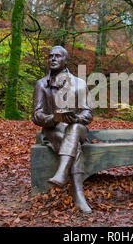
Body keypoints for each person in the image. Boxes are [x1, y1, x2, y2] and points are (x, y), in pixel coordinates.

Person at [32, 45, 93, 213]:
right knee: (72, 140)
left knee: (73, 128)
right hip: (53, 130)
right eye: (50, 56)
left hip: (78, 127)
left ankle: (61, 174)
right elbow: (36, 115)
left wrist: (75, 118)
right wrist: (53, 118)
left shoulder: (79, 83)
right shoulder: (41, 85)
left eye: (58, 56)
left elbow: (88, 114)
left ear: (66, 60)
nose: (53, 58)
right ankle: (78, 195)